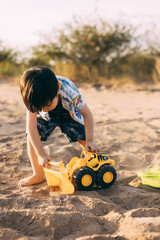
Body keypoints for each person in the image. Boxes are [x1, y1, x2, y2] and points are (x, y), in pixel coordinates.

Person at [19, 66, 99, 186]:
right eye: (38, 107)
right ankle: (38, 175)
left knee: (84, 138)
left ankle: (95, 168)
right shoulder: (33, 97)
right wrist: (41, 154)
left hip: (68, 111)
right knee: (32, 137)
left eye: (46, 105)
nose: (42, 109)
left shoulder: (69, 91)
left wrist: (90, 140)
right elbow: (31, 128)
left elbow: (87, 115)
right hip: (45, 117)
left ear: (58, 90)